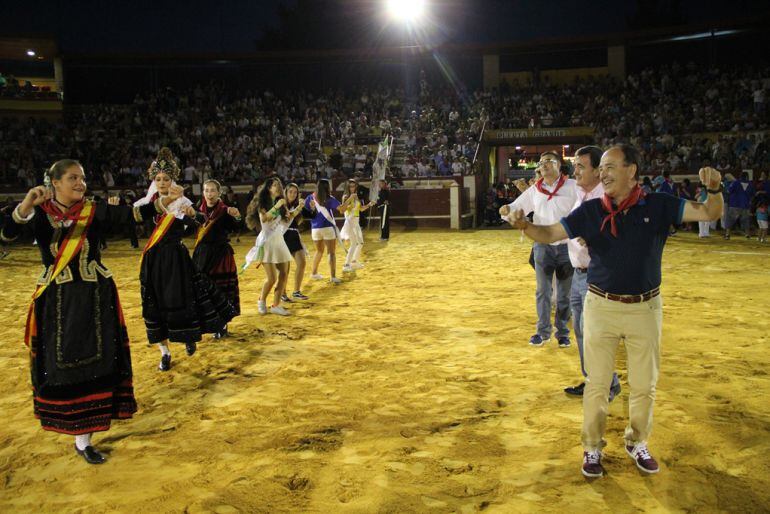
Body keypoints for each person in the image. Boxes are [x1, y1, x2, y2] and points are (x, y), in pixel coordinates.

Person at [506, 144, 723, 478]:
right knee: (596, 383)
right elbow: (549, 233)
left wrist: (714, 189)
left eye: (610, 167)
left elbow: (710, 213)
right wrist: (525, 227)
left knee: (644, 385)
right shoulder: (592, 211)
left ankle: (637, 441)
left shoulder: (660, 205)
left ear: (631, 171)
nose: (603, 174)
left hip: (645, 308)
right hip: (600, 306)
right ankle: (592, 448)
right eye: (601, 167)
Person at [1, 159, 137, 464]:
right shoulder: (38, 213)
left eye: (83, 178)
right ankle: (78, 432)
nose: (80, 183)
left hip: (95, 297)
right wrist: (26, 204)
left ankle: (85, 438)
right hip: (57, 302)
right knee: (66, 364)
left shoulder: (93, 209)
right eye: (73, 178)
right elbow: (7, 234)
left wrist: (162, 202)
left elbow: (131, 216)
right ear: (56, 183)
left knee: (98, 363)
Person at [133, 148, 236, 371]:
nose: (162, 182)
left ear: (173, 180)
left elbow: (200, 221)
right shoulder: (145, 203)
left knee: (181, 299)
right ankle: (165, 352)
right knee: (154, 304)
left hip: (176, 259)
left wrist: (193, 216)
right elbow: (132, 220)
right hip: (153, 260)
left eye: (166, 179)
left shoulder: (182, 202)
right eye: (158, 179)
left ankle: (188, 335)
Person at [500, 151, 577, 348]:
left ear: (559, 165)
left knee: (564, 293)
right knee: (542, 291)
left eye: (549, 161)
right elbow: (516, 207)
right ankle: (542, 332)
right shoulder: (535, 190)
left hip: (567, 246)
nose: (544, 165)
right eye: (541, 163)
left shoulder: (572, 187)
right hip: (542, 246)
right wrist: (507, 210)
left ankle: (562, 332)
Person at [562, 146, 621, 401]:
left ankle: (604, 385)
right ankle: (597, 381)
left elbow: (619, 233)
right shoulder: (580, 194)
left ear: (597, 171)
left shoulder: (606, 198)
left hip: (596, 275)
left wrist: (598, 237)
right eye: (575, 166)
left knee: (594, 333)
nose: (575, 171)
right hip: (578, 274)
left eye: (581, 166)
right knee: (583, 332)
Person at [192, 179, 242, 338]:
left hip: (220, 255)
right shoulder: (196, 210)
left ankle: (222, 324)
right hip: (201, 255)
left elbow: (237, 227)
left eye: (212, 190)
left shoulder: (226, 211)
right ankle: (210, 322)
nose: (209, 194)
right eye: (206, 190)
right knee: (203, 290)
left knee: (222, 290)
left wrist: (237, 216)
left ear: (219, 193)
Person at [244, 176, 293, 315]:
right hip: (266, 243)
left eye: (279, 184)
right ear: (268, 188)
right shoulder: (263, 204)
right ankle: (261, 300)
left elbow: (285, 221)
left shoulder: (280, 203)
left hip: (279, 242)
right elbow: (264, 219)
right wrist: (278, 206)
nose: (278, 187)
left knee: (284, 274)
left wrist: (295, 210)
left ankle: (276, 305)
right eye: (274, 185)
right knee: (272, 278)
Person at [304, 179, 345, 284]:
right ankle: (333, 276)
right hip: (327, 227)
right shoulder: (329, 198)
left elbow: (305, 212)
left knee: (319, 251)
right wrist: (349, 200)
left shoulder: (310, 198)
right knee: (331, 253)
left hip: (315, 229)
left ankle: (314, 273)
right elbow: (342, 209)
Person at [281, 182, 310, 301]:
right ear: (286, 192)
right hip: (283, 236)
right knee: (285, 268)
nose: (293, 194)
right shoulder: (281, 204)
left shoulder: (299, 204)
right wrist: (299, 207)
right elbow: (288, 217)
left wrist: (311, 207)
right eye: (290, 192)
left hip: (294, 235)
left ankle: (296, 291)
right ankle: (282, 293)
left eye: (295, 192)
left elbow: (310, 215)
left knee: (302, 262)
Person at [340, 178, 375, 272]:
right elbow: (342, 209)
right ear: (348, 187)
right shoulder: (346, 196)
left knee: (360, 243)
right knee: (354, 243)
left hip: (356, 221)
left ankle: (354, 261)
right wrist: (349, 203)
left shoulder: (356, 197)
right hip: (350, 221)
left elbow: (361, 209)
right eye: (350, 186)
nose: (352, 188)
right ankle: (346, 264)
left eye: (354, 186)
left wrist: (369, 204)